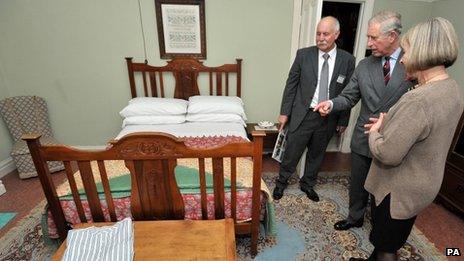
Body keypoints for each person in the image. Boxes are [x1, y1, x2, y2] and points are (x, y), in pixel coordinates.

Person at [357, 17, 463, 261]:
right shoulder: (452, 88)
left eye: (408, 51)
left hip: (398, 189)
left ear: (424, 52)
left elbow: (388, 153)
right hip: (423, 184)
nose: (403, 58)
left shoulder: (418, 100)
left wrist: (375, 132)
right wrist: (392, 123)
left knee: (386, 246)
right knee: (390, 238)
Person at [313, 11, 415, 230]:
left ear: (392, 36)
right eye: (368, 37)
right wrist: (331, 104)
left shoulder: (413, 64)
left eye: (373, 38)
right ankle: (355, 217)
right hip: (363, 136)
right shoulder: (364, 65)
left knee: (385, 185)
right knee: (358, 182)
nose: (368, 43)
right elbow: (349, 96)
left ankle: (381, 225)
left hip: (392, 138)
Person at [273, 16, 355, 201]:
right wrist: (284, 112)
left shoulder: (348, 60)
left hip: (328, 117)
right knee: (291, 152)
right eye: (318, 33)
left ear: (336, 35)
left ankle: (307, 184)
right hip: (303, 114)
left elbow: (349, 92)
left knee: (317, 154)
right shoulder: (303, 54)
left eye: (325, 34)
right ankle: (281, 183)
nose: (320, 38)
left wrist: (343, 120)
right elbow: (291, 85)